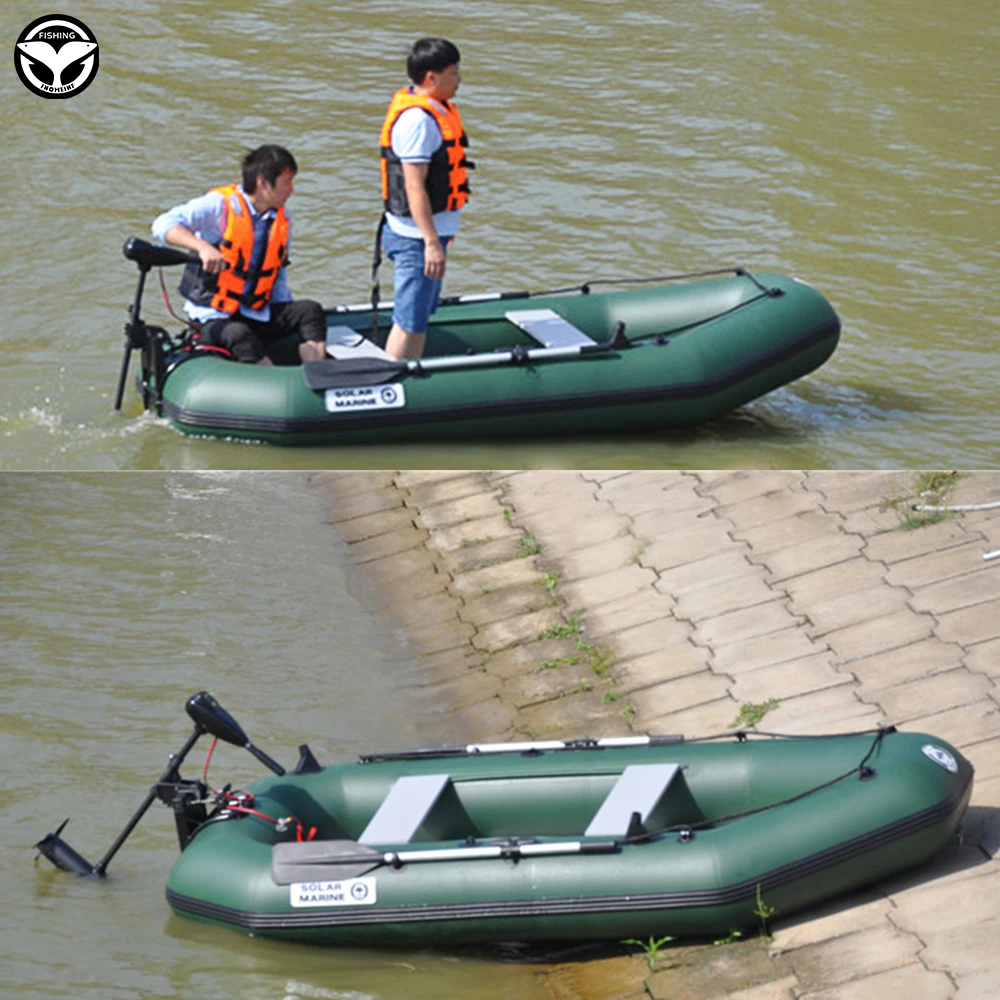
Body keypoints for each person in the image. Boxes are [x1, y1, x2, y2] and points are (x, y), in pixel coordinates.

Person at [151, 144, 326, 365]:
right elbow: (162, 225)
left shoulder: (281, 219)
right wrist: (203, 247)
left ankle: (317, 376)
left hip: (255, 311)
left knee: (310, 311)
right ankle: (276, 388)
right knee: (240, 335)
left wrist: (285, 314)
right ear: (263, 183)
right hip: (213, 316)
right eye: (287, 182)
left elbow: (278, 272)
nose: (292, 190)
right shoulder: (219, 207)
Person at [378, 37, 473, 360]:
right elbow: (414, 186)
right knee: (410, 321)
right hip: (415, 239)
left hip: (429, 234)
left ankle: (409, 371)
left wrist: (443, 235)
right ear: (431, 78)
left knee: (418, 316)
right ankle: (395, 381)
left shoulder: (435, 110)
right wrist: (432, 241)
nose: (459, 79)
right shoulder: (418, 121)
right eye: (454, 72)